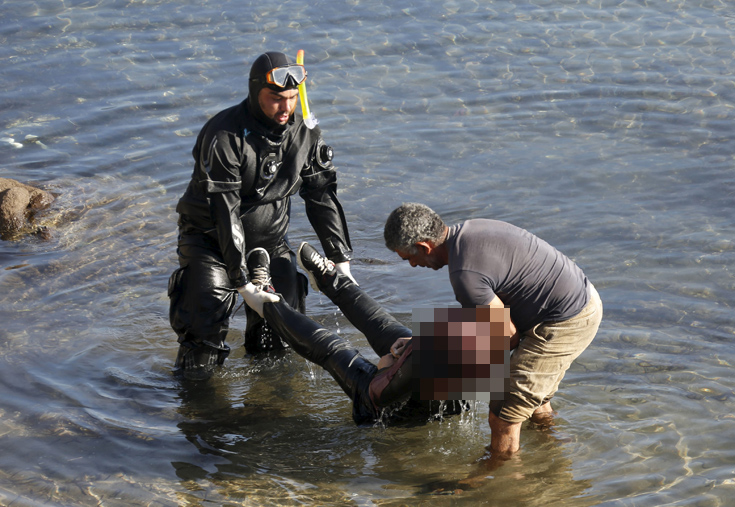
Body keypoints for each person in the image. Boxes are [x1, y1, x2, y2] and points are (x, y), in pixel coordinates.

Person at [168, 51, 355, 372]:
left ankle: (270, 412)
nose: (285, 108)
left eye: (292, 98)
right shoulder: (224, 135)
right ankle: (197, 413)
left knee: (279, 343)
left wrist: (341, 261)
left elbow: (321, 195)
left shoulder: (305, 132)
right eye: (275, 99)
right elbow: (225, 211)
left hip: (270, 242)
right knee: (203, 341)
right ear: (255, 93)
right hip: (210, 243)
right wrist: (243, 283)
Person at [383, 203, 603, 457]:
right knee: (534, 398)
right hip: (580, 298)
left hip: (564, 321)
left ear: (424, 247)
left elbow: (506, 338)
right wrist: (421, 341)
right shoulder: (472, 230)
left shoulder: (465, 274)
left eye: (409, 258)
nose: (411, 265)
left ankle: (495, 481)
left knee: (503, 414)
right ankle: (551, 451)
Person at [241, 242, 468, 425]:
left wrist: (387, 369)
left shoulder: (478, 356)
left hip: (384, 403)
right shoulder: (486, 342)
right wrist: (413, 343)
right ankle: (332, 280)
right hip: (427, 375)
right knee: (386, 327)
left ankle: (266, 302)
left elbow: (383, 385)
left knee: (332, 349)